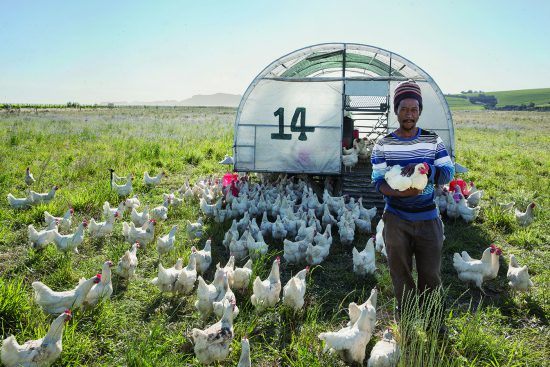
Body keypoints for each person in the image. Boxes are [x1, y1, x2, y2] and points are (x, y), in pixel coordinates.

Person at [370, 80, 455, 318]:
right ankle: (406, 323)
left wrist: (426, 168)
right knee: (401, 275)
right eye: (404, 109)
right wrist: (399, 193)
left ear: (419, 111)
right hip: (396, 219)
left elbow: (448, 173)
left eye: (414, 109)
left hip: (428, 218)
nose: (409, 114)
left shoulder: (432, 140)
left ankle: (434, 323)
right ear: (396, 110)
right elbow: (378, 180)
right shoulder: (383, 144)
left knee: (431, 275)